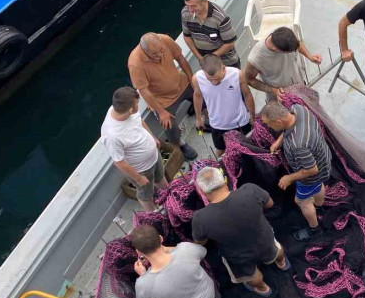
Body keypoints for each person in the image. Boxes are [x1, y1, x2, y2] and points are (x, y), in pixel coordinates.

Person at [192, 167, 290, 297]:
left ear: (203, 192)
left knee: (249, 274)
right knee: (274, 249)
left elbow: (200, 241)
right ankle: (282, 262)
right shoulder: (250, 190)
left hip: (238, 256)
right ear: (225, 180)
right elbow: (270, 204)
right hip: (264, 240)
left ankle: (262, 288)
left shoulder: (200, 218)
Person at [260, 101, 331, 242]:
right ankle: (320, 207)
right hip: (324, 159)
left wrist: (289, 178)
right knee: (319, 186)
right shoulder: (298, 109)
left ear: (279, 121)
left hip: (311, 175)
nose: (269, 127)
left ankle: (314, 229)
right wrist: (279, 141)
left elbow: (311, 169)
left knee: (301, 201)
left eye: (269, 124)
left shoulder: (298, 144)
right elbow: (288, 128)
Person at [128, 32, 198, 160]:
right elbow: (143, 90)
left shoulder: (165, 40)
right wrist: (161, 112)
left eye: (162, 50)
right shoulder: (135, 63)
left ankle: (201, 112)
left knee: (200, 91)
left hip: (180, 83)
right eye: (155, 53)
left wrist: (191, 79)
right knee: (167, 123)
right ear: (145, 51)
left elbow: (180, 58)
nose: (160, 55)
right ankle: (180, 143)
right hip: (162, 99)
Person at [102, 87, 167, 212]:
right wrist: (139, 179)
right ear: (130, 109)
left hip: (154, 156)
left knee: (160, 177)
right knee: (145, 194)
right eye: (138, 103)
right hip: (142, 170)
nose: (139, 104)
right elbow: (119, 162)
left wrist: (153, 137)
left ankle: (168, 196)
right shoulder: (112, 135)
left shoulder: (125, 110)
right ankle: (154, 214)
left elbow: (139, 121)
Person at [191, 54, 255, 157]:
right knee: (220, 151)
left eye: (217, 78)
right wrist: (198, 118)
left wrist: (252, 115)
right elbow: (197, 96)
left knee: (246, 147)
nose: (214, 82)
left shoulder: (237, 74)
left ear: (224, 69)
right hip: (217, 124)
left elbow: (247, 95)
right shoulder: (197, 79)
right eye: (210, 79)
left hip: (240, 121)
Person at [245, 26, 322, 102]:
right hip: (281, 97)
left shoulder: (282, 34)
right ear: (276, 50)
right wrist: (274, 90)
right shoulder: (256, 58)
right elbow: (250, 80)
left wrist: (310, 56)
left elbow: (297, 44)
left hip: (299, 85)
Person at [181, 0, 240, 69]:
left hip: (227, 62)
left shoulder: (221, 18)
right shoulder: (185, 13)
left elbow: (229, 43)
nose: (190, 10)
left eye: (193, 6)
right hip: (205, 62)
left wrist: (210, 58)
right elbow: (187, 37)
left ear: (204, 1)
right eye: (187, 5)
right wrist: (200, 58)